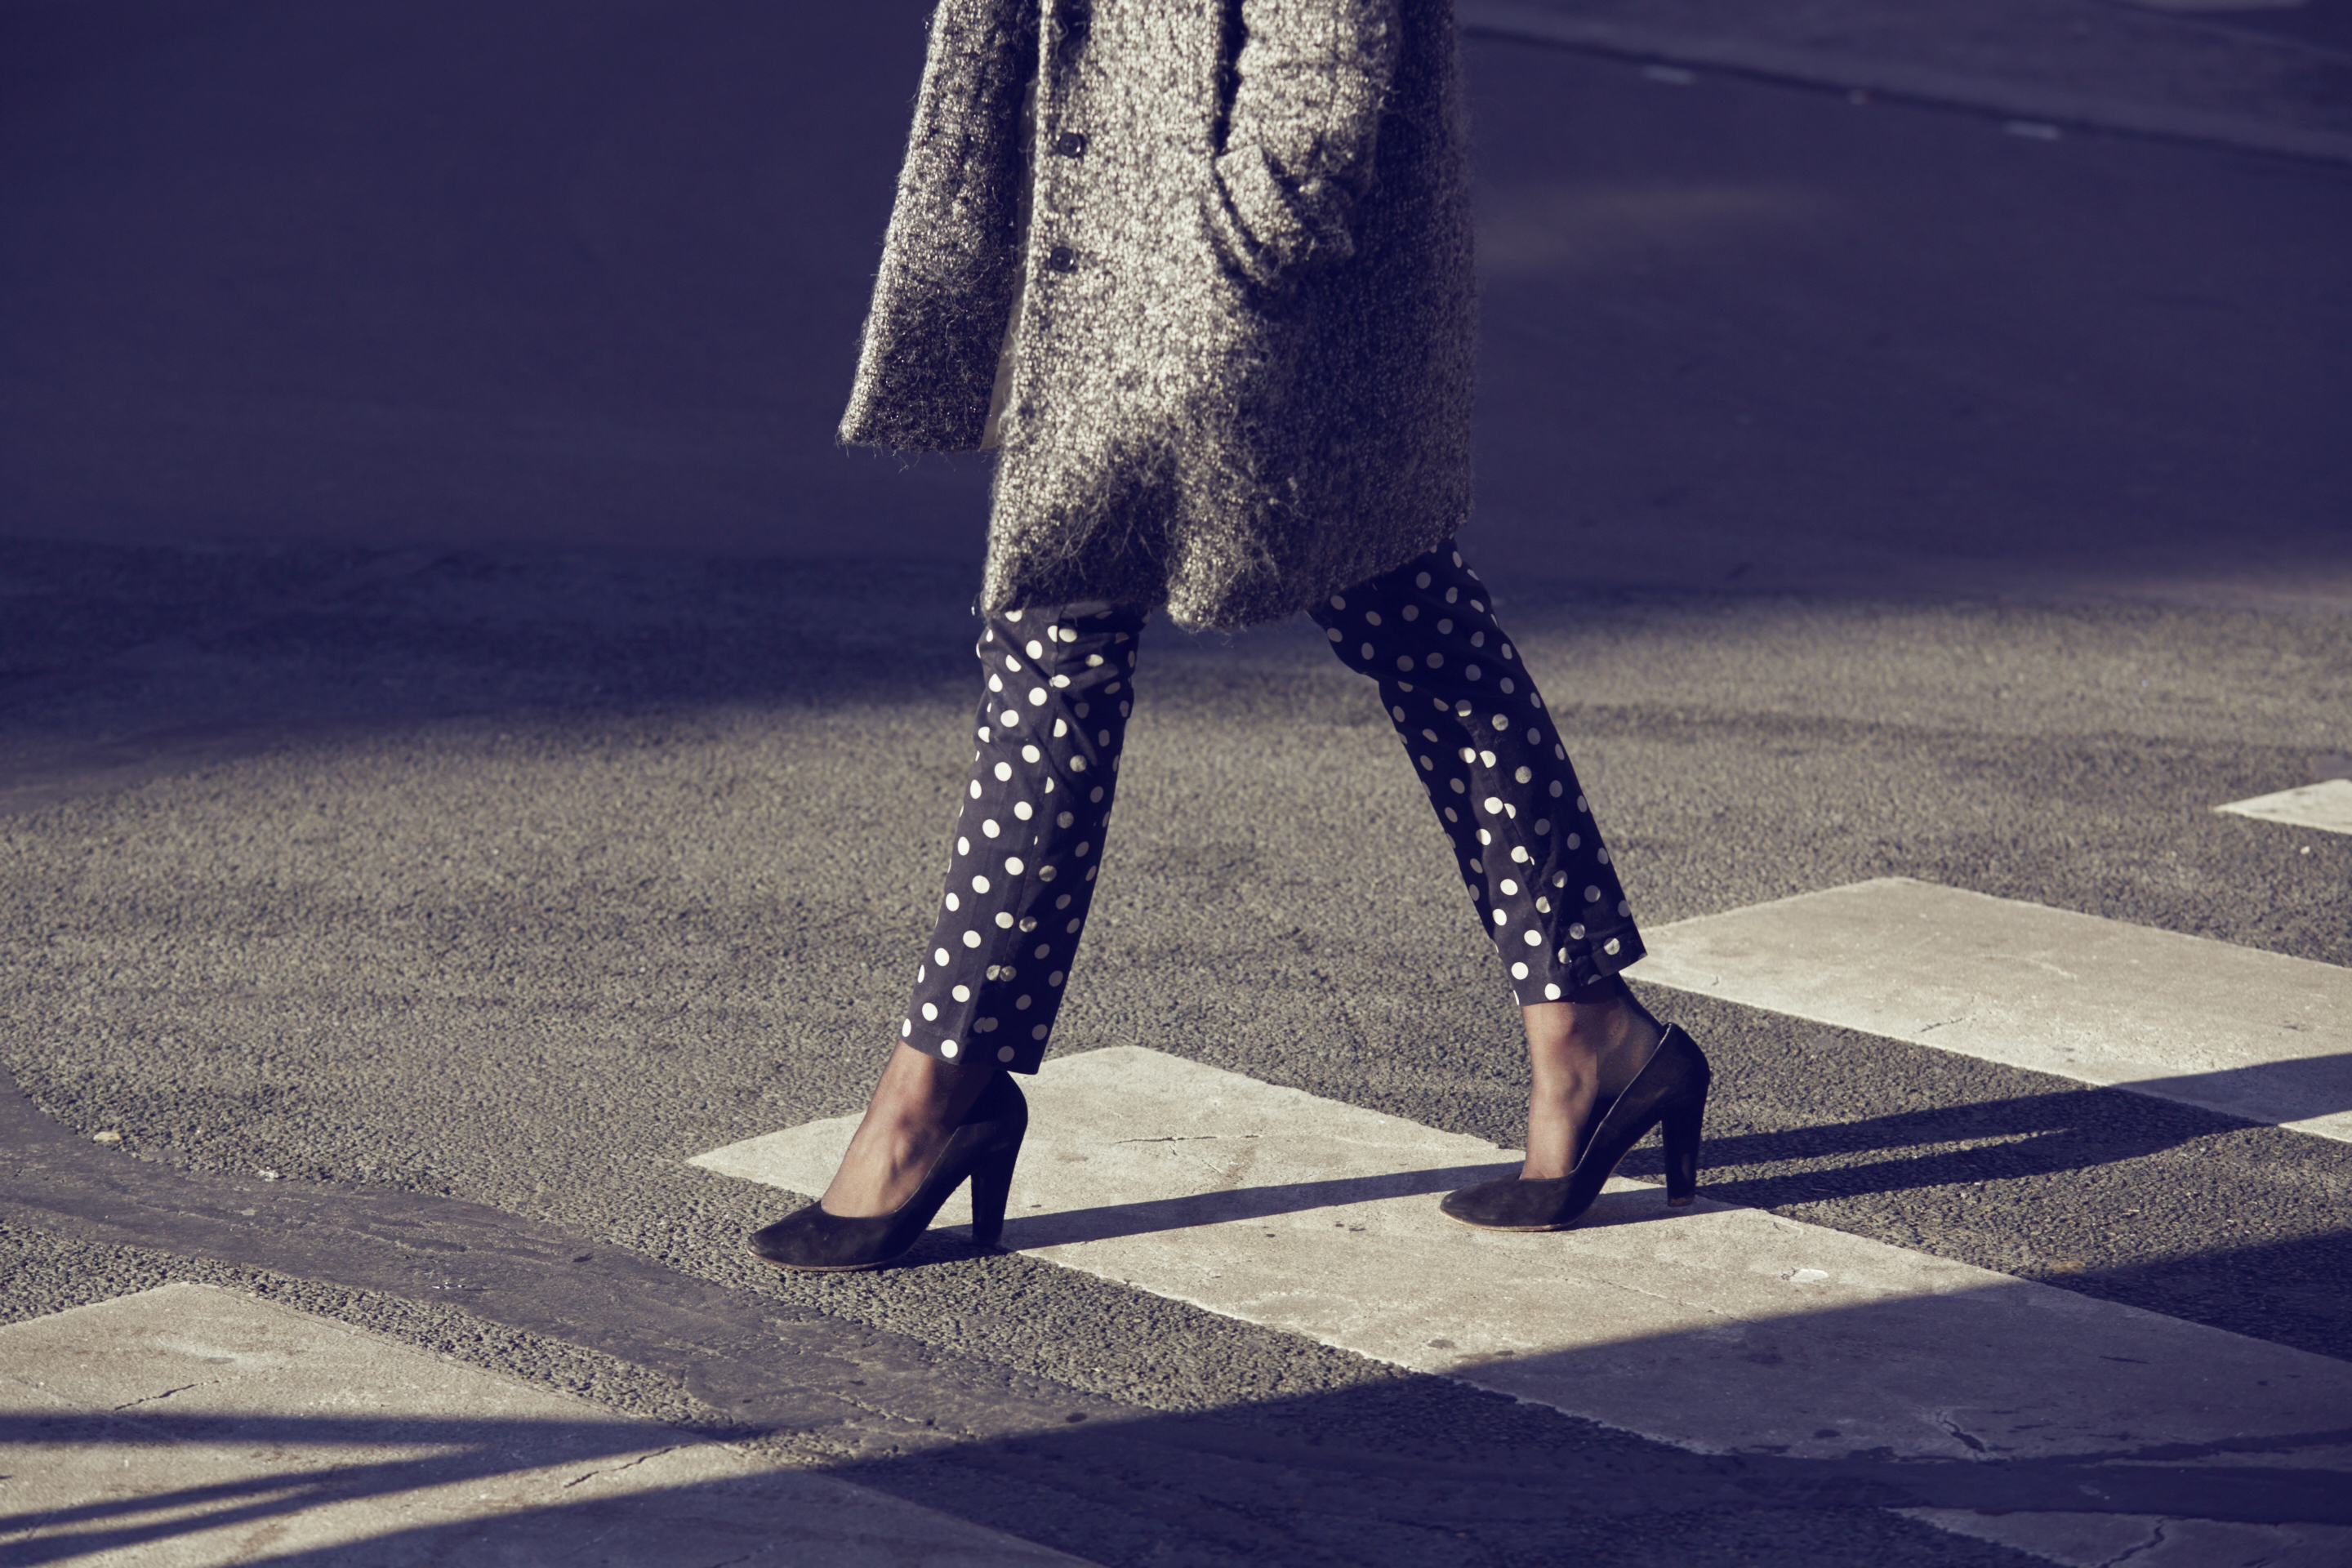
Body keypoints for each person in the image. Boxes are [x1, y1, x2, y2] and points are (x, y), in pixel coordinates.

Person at [748, 0, 1708, 1272]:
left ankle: (935, 1099)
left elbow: (1327, 48)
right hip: (1153, 241)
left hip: (1225, 277)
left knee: (1068, 634)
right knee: (1403, 613)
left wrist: (1242, 243)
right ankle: (1590, 1030)